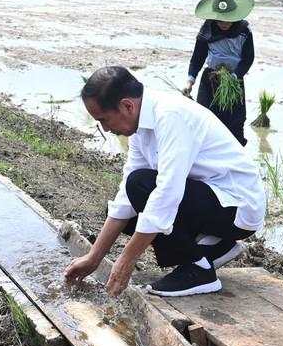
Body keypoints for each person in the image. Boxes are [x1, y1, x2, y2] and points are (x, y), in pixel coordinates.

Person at [64, 66, 266, 297]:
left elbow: (167, 193)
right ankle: (216, 247)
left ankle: (199, 270)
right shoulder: (140, 124)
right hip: (210, 199)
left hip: (237, 206)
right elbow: (125, 200)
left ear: (127, 106)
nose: (106, 128)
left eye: (104, 119)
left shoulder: (170, 116)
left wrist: (126, 260)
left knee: (141, 186)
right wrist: (94, 257)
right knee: (131, 203)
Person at [182, 0, 255, 146]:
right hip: (211, 78)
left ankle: (235, 159)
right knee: (205, 119)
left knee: (235, 122)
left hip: (234, 81)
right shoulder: (207, 30)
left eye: (228, 19)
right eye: (220, 20)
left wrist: (235, 76)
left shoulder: (244, 31)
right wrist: (190, 80)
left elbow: (248, 59)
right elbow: (197, 58)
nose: (224, 23)